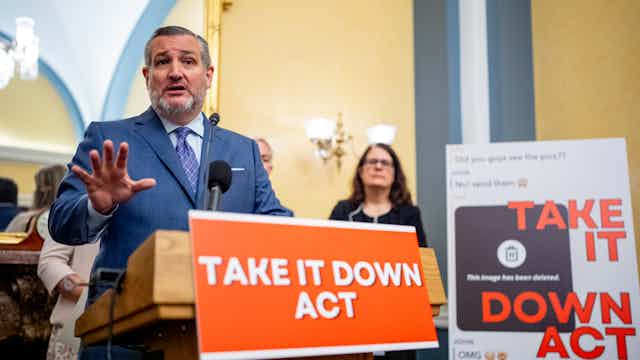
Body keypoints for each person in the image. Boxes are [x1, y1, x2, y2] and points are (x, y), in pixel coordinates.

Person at [48, 25, 291, 309]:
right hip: (125, 328)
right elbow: (60, 225)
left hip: (222, 320)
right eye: (163, 62)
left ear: (208, 75)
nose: (176, 72)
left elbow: (278, 226)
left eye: (188, 61)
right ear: (147, 76)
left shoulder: (244, 150)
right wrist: (97, 206)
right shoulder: (108, 138)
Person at [330, 144, 426, 360]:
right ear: (361, 170)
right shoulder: (343, 211)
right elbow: (327, 259)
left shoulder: (409, 214)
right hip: (349, 319)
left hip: (398, 322)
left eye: (385, 163)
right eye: (372, 162)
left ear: (394, 173)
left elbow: (422, 265)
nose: (378, 167)